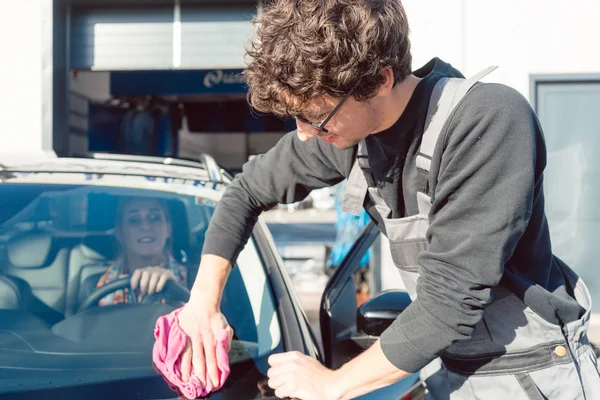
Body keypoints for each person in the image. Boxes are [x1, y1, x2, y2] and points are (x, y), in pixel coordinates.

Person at [176, 1, 600, 399]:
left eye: (316, 117)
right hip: (444, 372)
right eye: (296, 117)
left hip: (531, 375)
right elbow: (246, 190)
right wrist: (202, 304)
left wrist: (332, 384)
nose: (304, 134)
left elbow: (448, 303)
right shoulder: (348, 131)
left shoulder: (488, 121)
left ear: (381, 79)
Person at [96, 197, 187, 305]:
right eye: (134, 220)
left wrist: (176, 296)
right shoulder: (96, 287)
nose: (146, 226)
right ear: (120, 233)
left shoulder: (198, 279)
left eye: (154, 217)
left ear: (168, 228)